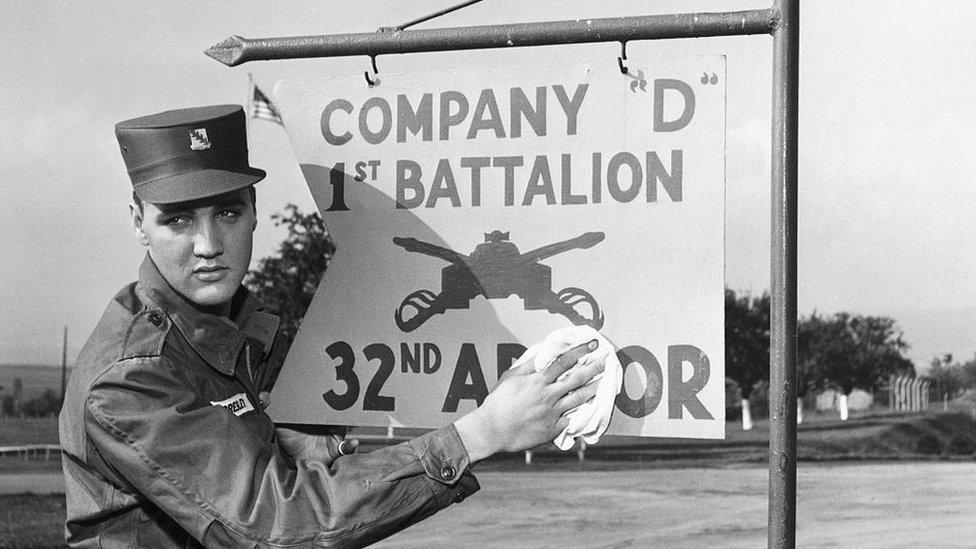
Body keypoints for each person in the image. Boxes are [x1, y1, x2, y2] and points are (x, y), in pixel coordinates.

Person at [59, 104, 605, 547]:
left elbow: (258, 460)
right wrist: (479, 434)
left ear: (253, 209)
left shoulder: (237, 331)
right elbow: (272, 524)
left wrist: (307, 443)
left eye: (226, 213)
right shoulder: (132, 376)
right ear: (138, 222)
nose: (207, 246)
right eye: (177, 220)